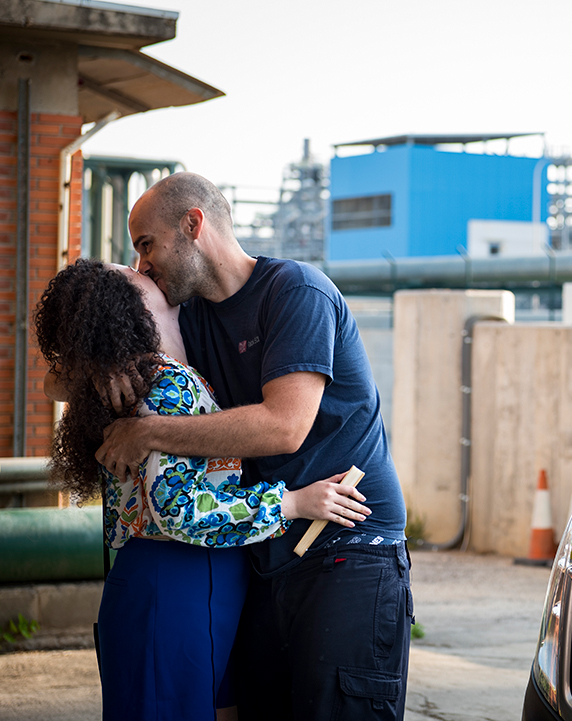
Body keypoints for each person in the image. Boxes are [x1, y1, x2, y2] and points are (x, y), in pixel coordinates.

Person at [94, 172, 412, 720]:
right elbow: (57, 373)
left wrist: (146, 430)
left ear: (193, 225)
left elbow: (283, 426)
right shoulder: (186, 315)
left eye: (146, 244)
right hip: (262, 549)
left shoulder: (295, 292)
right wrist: (102, 365)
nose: (142, 264)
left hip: (347, 546)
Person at [35, 259, 371, 721]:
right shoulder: (164, 383)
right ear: (128, 309)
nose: (145, 268)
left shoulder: (153, 372)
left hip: (187, 579)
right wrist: (291, 502)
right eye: (134, 274)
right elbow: (180, 510)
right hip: (174, 577)